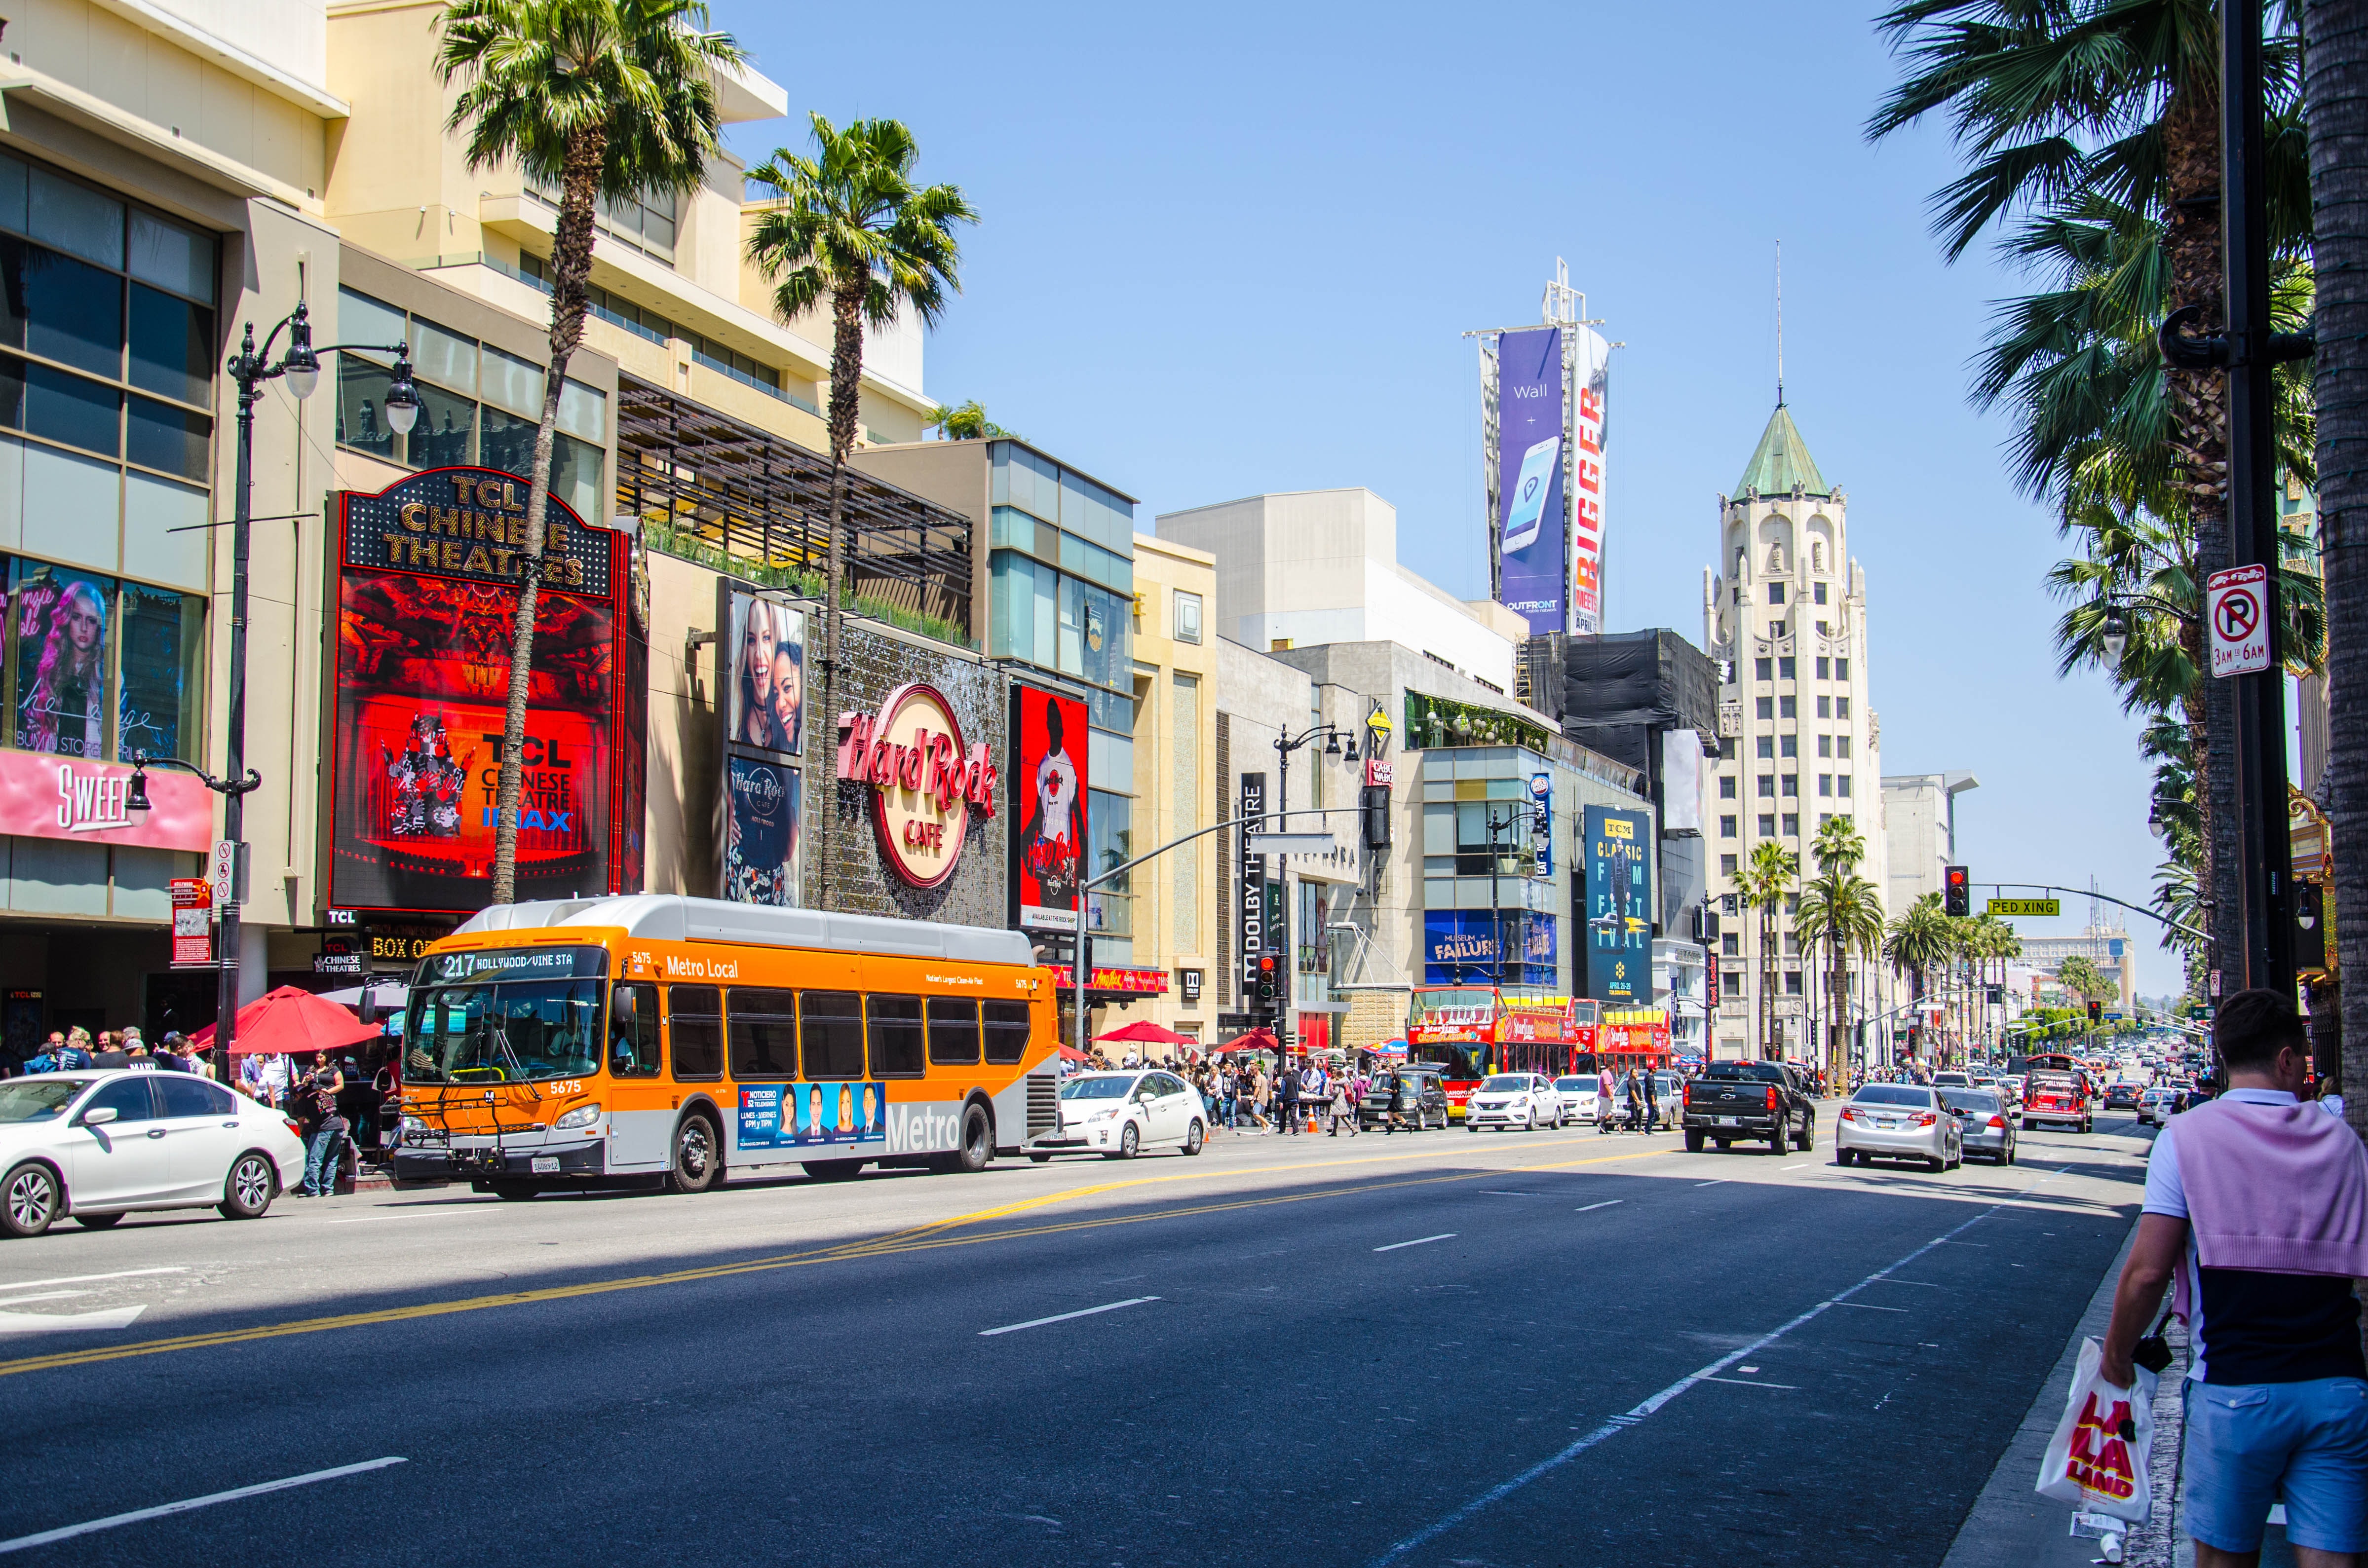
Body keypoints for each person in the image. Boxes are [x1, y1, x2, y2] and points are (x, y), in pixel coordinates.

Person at [2099, 989, 2368, 1568]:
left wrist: (2117, 1356)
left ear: (2222, 1056)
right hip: (2336, 1384)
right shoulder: (2344, 1143)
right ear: (2288, 1060)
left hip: (2235, 1388)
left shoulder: (2185, 1138)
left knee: (2224, 1561)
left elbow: (2148, 1272)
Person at [296, 1052, 349, 1197]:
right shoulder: (325, 1095)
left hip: (323, 1129)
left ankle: (313, 1190)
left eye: (322, 1057)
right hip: (337, 1126)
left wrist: (299, 1134)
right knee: (332, 1159)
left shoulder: (305, 1100)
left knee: (315, 1159)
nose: (319, 1059)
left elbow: (301, 1122)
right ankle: (328, 1189)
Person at [1641, 1066, 1660, 1134]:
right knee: (1654, 1114)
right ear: (1652, 1069)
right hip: (1651, 1099)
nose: (1656, 1070)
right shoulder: (1650, 1078)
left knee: (1656, 1114)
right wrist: (1653, 1100)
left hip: (1652, 1099)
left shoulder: (1649, 1077)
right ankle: (1648, 1129)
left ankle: (1647, 1127)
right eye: (1655, 1069)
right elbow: (1651, 1090)